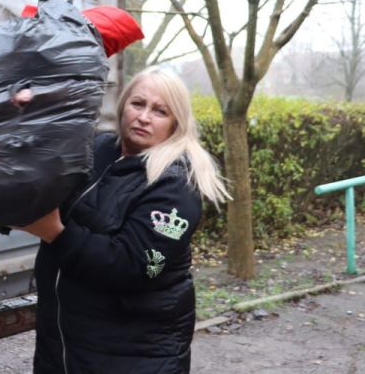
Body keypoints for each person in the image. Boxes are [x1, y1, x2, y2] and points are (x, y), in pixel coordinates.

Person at [20, 66, 230, 373]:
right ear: (122, 105)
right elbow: (45, 185)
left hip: (131, 357)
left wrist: (56, 234)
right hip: (64, 346)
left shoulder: (176, 185)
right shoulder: (99, 149)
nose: (144, 117)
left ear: (176, 123)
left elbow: (133, 266)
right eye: (138, 104)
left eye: (160, 111)